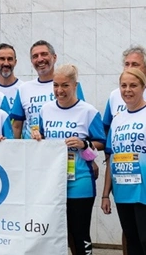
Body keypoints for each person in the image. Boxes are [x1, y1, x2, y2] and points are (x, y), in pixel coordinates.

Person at [32, 65, 105, 255]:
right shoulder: (46, 110)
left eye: (65, 85)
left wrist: (83, 143)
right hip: (53, 181)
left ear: (75, 85)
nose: (59, 90)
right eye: (55, 85)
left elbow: (101, 142)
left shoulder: (88, 111)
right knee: (56, 234)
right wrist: (37, 136)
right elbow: (42, 137)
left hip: (79, 180)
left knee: (79, 232)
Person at [102, 68, 146, 254]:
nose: (127, 90)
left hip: (143, 191)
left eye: (133, 85)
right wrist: (105, 194)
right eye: (123, 85)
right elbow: (111, 158)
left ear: (143, 87)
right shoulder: (117, 120)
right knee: (132, 241)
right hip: (122, 190)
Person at [11, 40, 84, 139]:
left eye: (44, 54)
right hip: (33, 146)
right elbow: (16, 126)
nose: (40, 59)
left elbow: (82, 114)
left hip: (65, 145)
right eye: (35, 56)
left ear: (54, 57)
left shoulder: (71, 86)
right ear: (31, 61)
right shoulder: (23, 89)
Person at [103, 45, 146, 134]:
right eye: (127, 64)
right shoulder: (115, 95)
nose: (129, 68)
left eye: (135, 64)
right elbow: (106, 128)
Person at [0, 43, 23, 110]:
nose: (6, 63)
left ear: (15, 62)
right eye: (2, 59)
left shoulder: (23, 89)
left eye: (10, 59)